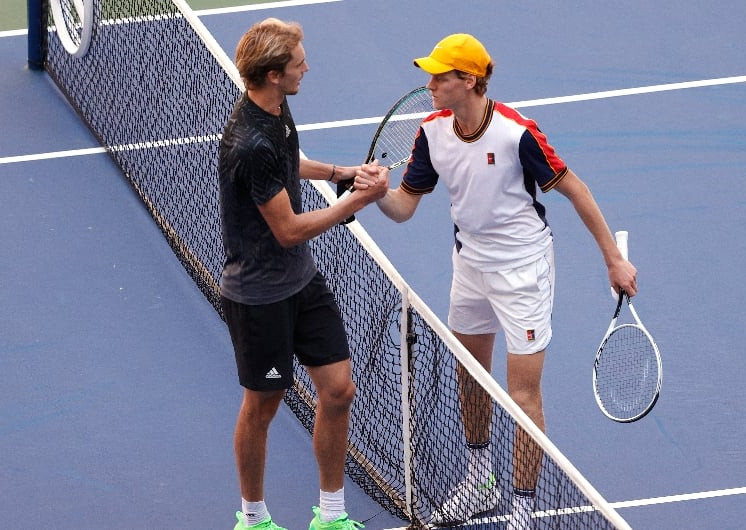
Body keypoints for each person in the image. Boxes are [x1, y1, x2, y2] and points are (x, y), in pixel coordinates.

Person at [366, 33, 637, 529]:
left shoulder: (518, 134)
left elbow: (574, 189)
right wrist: (376, 194)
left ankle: (523, 509)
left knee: (523, 396)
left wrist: (613, 260)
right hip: (469, 266)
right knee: (469, 374)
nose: (429, 85)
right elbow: (404, 207)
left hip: (523, 273)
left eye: (439, 76)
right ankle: (479, 480)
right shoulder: (431, 133)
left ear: (467, 80)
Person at [218, 18, 388, 530]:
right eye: (298, 63)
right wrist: (359, 199)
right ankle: (253, 518)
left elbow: (291, 161)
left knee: (339, 391)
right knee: (263, 406)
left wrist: (342, 174)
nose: (307, 68)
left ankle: (330, 517)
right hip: (260, 296)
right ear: (273, 74)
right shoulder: (249, 144)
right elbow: (289, 229)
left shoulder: (274, 110)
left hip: (300, 281)